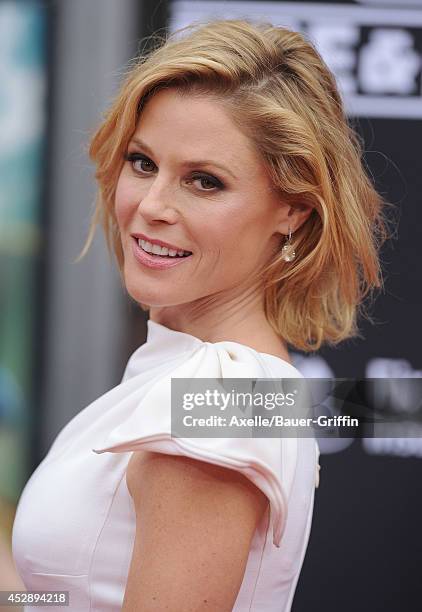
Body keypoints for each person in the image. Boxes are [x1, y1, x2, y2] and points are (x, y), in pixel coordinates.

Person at [11, 18, 389, 611]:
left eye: (204, 182)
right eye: (142, 163)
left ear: (291, 210)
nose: (152, 205)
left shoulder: (221, 393)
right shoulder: (217, 381)